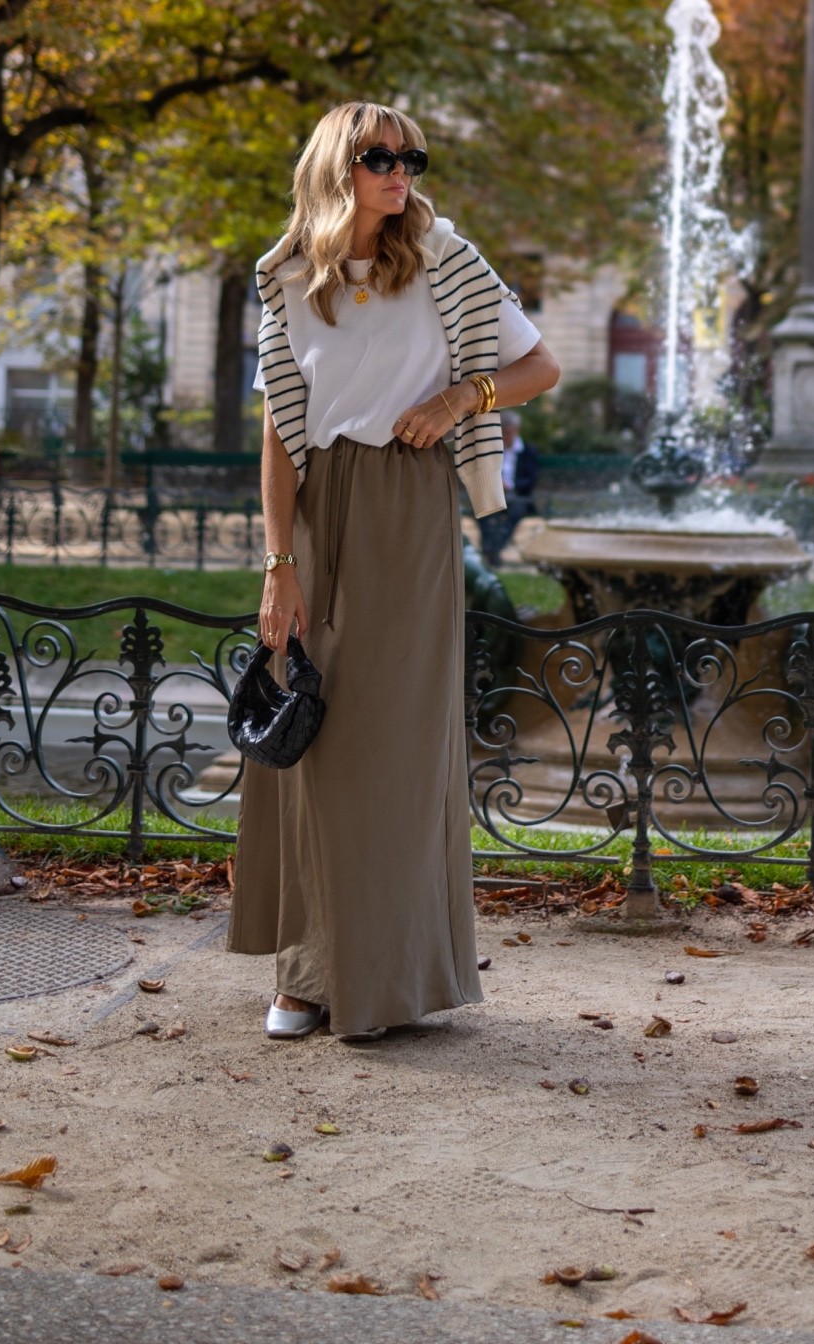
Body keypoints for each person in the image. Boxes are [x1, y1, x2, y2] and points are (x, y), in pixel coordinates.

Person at [226, 101, 560, 1042]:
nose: (401, 172)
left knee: (396, 749)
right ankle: (305, 973)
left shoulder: (448, 261)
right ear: (340, 165)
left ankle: (392, 979)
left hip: (411, 508)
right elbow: (280, 436)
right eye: (381, 156)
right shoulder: (288, 277)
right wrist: (278, 563)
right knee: (311, 730)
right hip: (320, 507)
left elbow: (541, 366)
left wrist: (464, 396)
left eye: (412, 157)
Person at [477, 409, 539, 566]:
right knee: (485, 511)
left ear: (516, 431)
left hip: (517, 495)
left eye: (509, 432)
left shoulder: (528, 451)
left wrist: (509, 485)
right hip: (494, 492)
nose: (506, 436)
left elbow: (530, 479)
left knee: (515, 511)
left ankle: (493, 552)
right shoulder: (492, 448)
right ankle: (489, 551)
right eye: (503, 432)